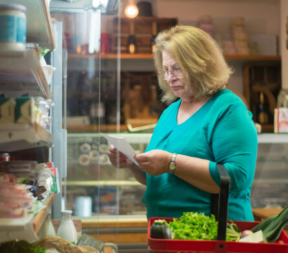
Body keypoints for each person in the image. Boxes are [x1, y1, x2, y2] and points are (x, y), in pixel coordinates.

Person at [108, 26, 257, 221]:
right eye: (166, 70)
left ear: (201, 64)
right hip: (166, 235)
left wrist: (172, 162)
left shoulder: (228, 109)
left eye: (177, 68)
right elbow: (158, 179)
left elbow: (236, 177)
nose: (169, 78)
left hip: (212, 236)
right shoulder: (170, 112)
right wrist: (133, 164)